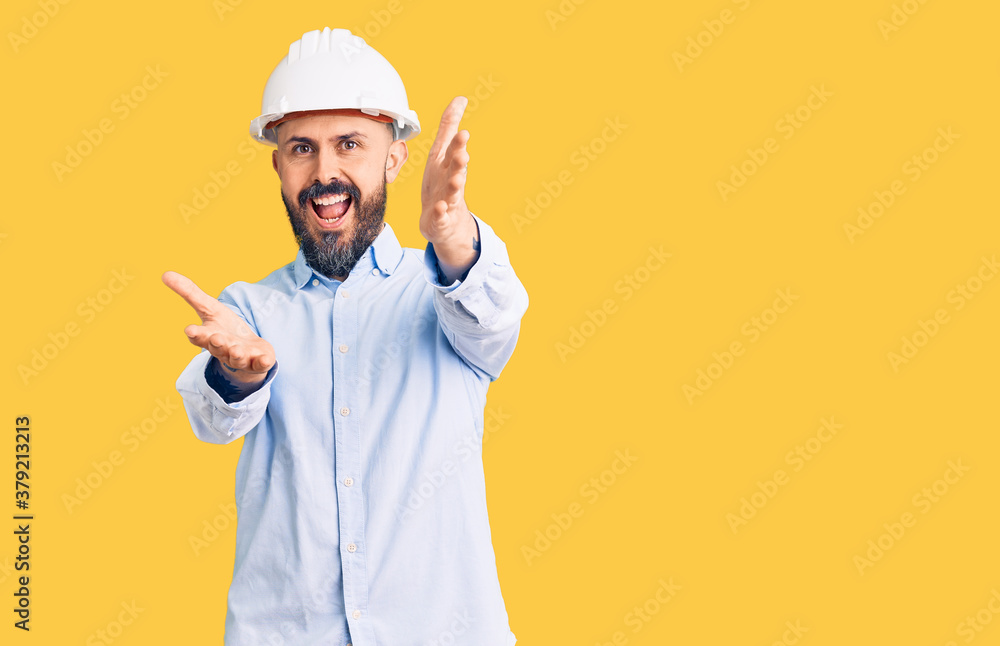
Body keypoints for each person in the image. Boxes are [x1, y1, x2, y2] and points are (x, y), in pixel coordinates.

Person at [163, 27, 528, 646]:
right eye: (301, 148)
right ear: (278, 164)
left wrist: (454, 234)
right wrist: (238, 376)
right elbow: (211, 420)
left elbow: (493, 318)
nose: (324, 172)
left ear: (393, 157)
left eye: (349, 144)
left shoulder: (443, 289)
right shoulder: (247, 311)